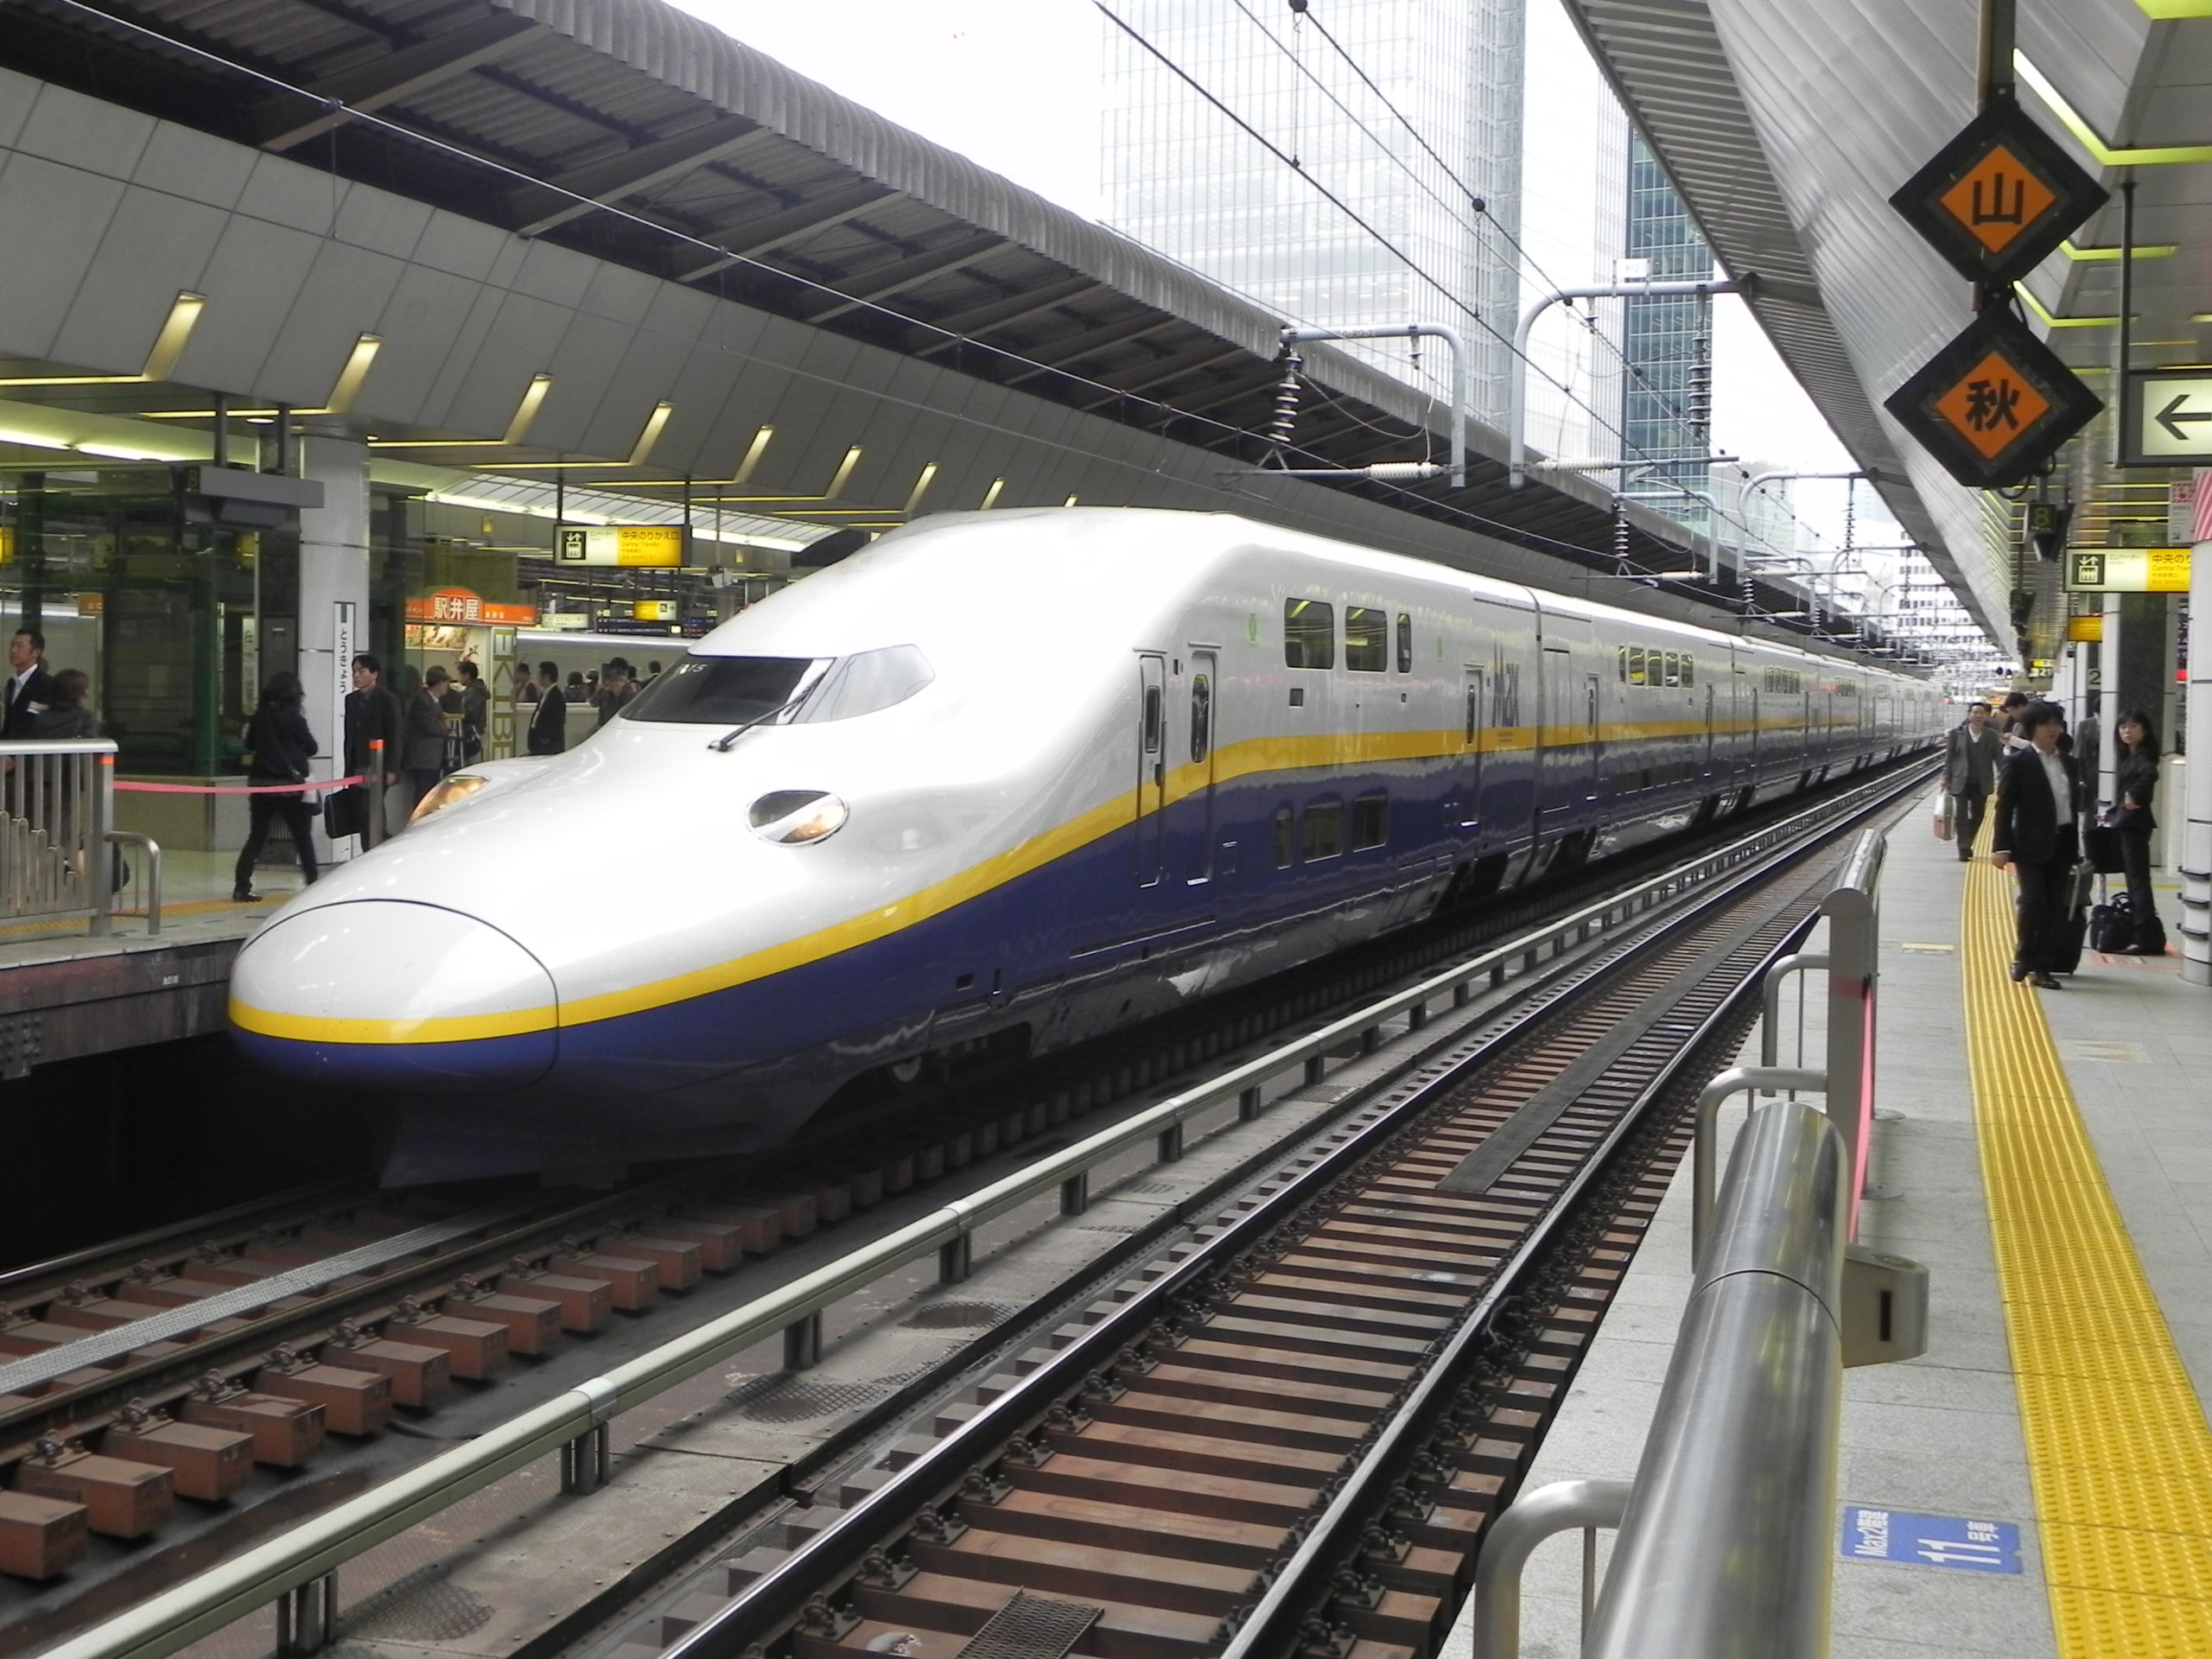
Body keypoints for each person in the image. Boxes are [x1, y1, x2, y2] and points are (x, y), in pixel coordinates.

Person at [1991, 701, 2082, 990]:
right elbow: (2005, 806)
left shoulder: (2069, 763)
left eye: (2057, 724)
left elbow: (2074, 804)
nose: (2052, 729)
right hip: (2030, 845)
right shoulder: (2019, 762)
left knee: (2054, 907)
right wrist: (2000, 847)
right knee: (2033, 902)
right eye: (2046, 724)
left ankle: (2043, 966)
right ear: (2032, 728)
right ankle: (2023, 956)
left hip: (2063, 842)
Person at [232, 671, 320, 903]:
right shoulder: (294, 719)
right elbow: (312, 747)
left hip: (260, 785)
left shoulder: (260, 717)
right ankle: (313, 883)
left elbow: (249, 744)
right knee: (302, 836)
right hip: (289, 787)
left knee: (257, 836)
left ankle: (241, 886)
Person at [2104, 709, 2162, 952]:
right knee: (2135, 879)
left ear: (2144, 730)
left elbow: (2151, 774)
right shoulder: (2130, 755)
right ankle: (2145, 934)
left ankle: (2144, 937)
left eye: (2133, 726)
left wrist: (2133, 794)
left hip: (2135, 824)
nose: (2127, 731)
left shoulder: (2142, 756)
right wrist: (2116, 809)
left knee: (2138, 881)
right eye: (2123, 727)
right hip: (2130, 822)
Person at [1943, 701, 2000, 861]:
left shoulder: (1991, 736)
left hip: (1982, 782)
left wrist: (2006, 778)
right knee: (1961, 816)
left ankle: (1968, 841)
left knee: (1978, 815)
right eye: (1975, 712)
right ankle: (1963, 848)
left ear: (1986, 715)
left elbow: (1999, 758)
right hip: (1960, 781)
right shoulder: (1956, 734)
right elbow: (1949, 758)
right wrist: (1945, 778)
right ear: (1969, 714)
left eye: (1981, 713)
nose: (1978, 716)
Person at [404, 664, 454, 806]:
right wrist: (446, 728)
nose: (447, 687)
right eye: (446, 683)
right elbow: (429, 726)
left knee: (430, 793)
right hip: (424, 757)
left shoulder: (434, 701)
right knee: (423, 794)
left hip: (433, 758)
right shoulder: (423, 701)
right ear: (439, 684)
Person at [3, 628, 56, 739]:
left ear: (36, 652)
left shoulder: (47, 684)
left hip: (33, 746)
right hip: (10, 746)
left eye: (20, 646)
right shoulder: (12, 682)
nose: (13, 650)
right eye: (12, 645)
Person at [29, 669, 98, 741]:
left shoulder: (41, 717)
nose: (87, 694)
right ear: (76, 694)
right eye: (84, 690)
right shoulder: (85, 717)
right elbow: (90, 744)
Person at [527, 661, 568, 755]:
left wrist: (544, 739)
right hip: (538, 744)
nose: (537, 677)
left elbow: (557, 722)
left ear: (546, 676)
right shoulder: (545, 693)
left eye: (539, 674)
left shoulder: (556, 697)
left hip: (547, 746)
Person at [454, 660, 489, 763]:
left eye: (460, 674)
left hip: (473, 733)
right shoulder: (475, 691)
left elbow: (470, 713)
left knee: (473, 763)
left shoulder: (474, 692)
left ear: (467, 675)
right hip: (476, 732)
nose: (458, 677)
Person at [595, 659, 634, 728]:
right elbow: (593, 703)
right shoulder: (605, 693)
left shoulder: (630, 693)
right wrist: (600, 689)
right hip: (606, 726)